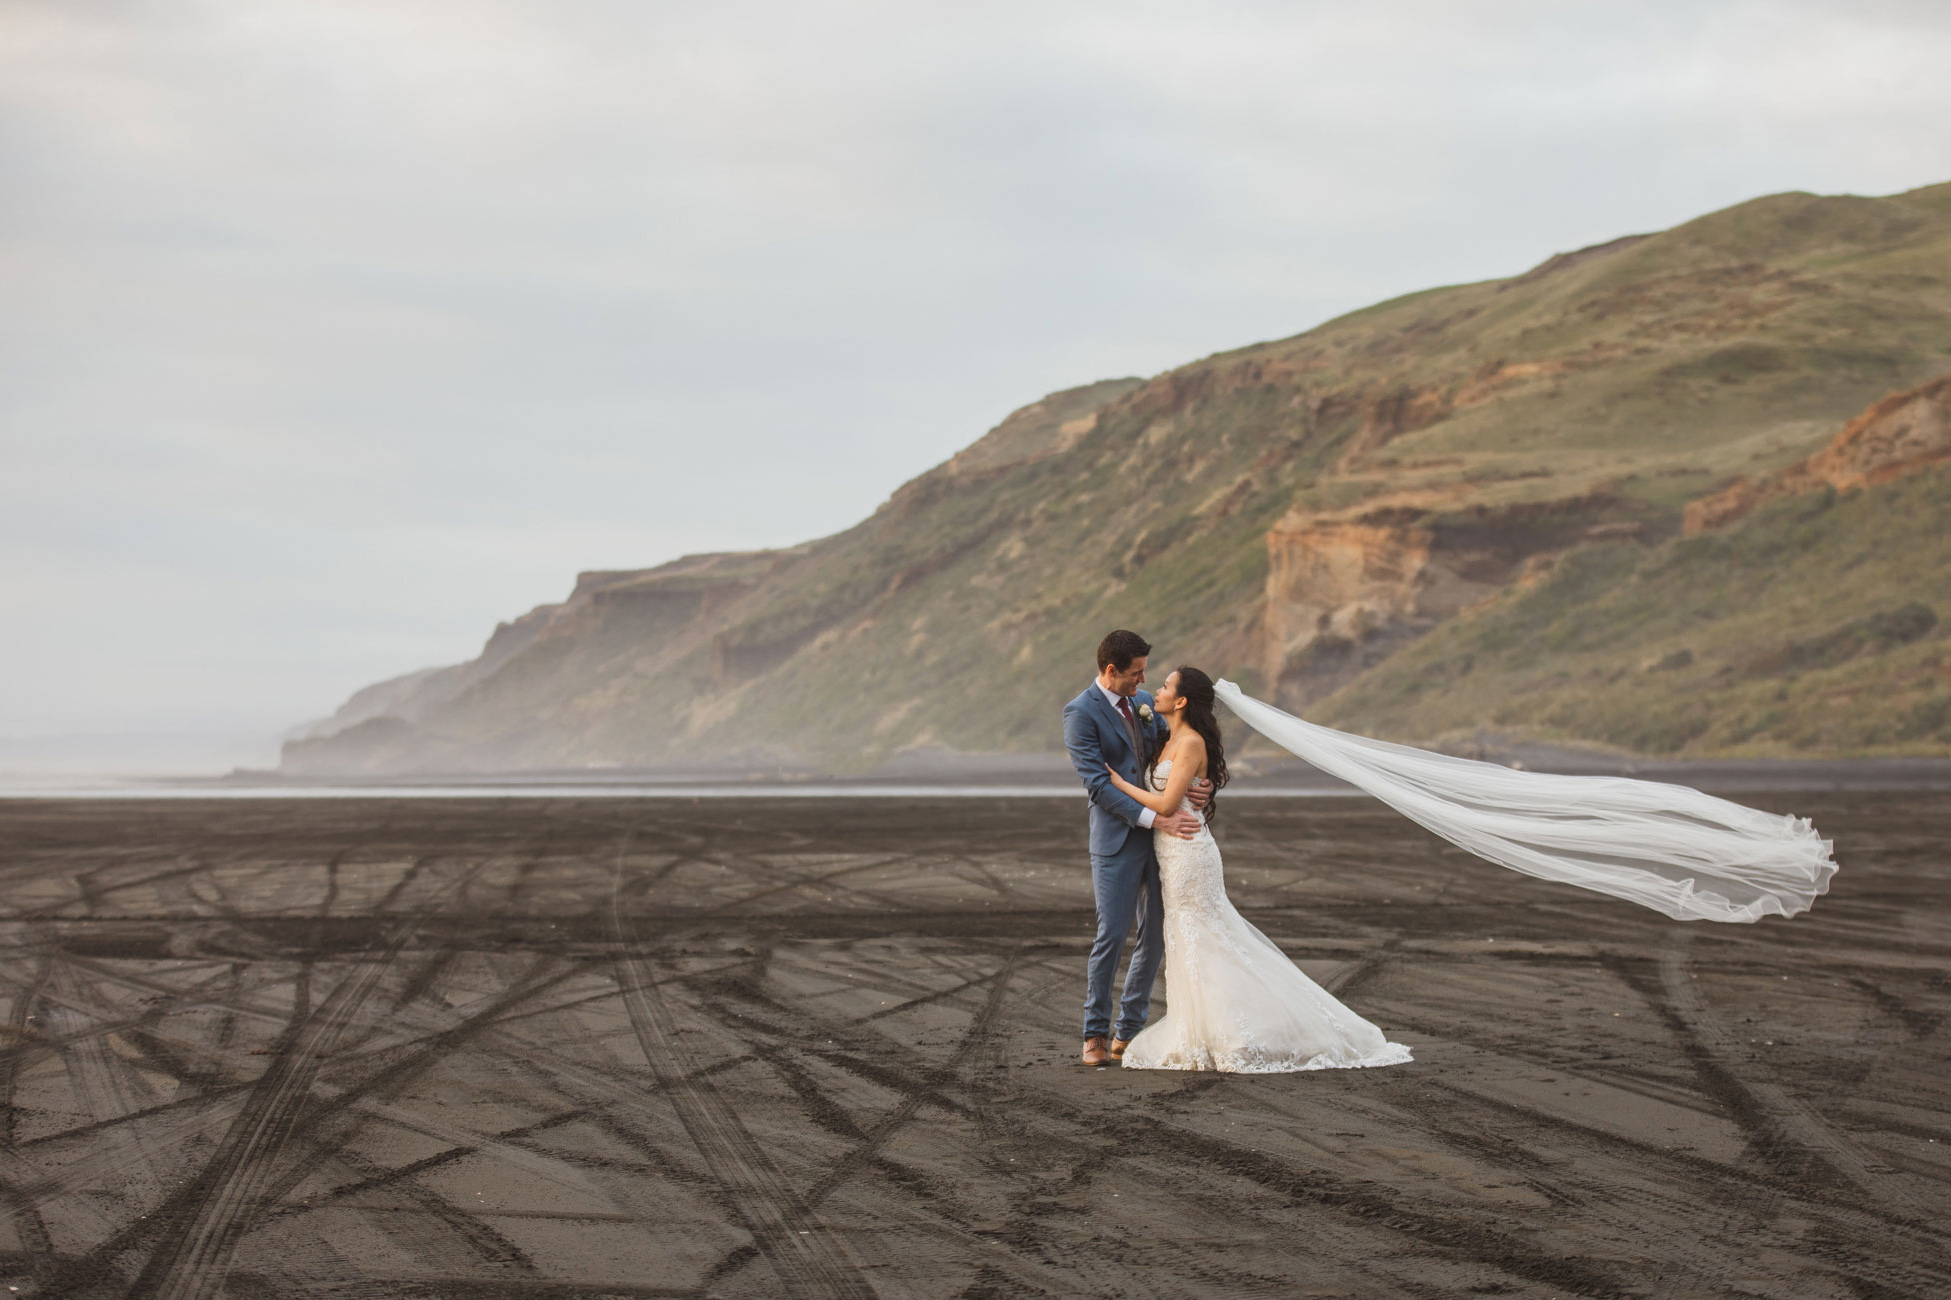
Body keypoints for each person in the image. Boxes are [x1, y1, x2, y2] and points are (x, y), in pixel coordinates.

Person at [1101, 665, 1414, 1073]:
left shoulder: (1190, 741)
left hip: (1190, 855)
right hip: (1171, 852)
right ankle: (1208, 1030)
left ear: (1180, 701)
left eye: (1164, 686)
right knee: (1190, 939)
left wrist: (1114, 782)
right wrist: (1204, 782)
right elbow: (1175, 787)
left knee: (1204, 939)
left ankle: (1233, 1034)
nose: (1154, 689)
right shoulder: (1167, 735)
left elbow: (1163, 805)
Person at [1061, 630, 1210, 1067]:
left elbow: (1180, 747)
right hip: (1117, 839)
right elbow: (1098, 784)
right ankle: (1094, 1035)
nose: (1143, 681)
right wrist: (1155, 816)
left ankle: (1129, 1031)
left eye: (1145, 672)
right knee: (1111, 935)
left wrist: (1206, 782)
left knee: (1155, 937)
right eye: (1136, 673)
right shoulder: (1079, 713)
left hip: (1165, 845)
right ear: (1111, 671)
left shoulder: (1144, 704)